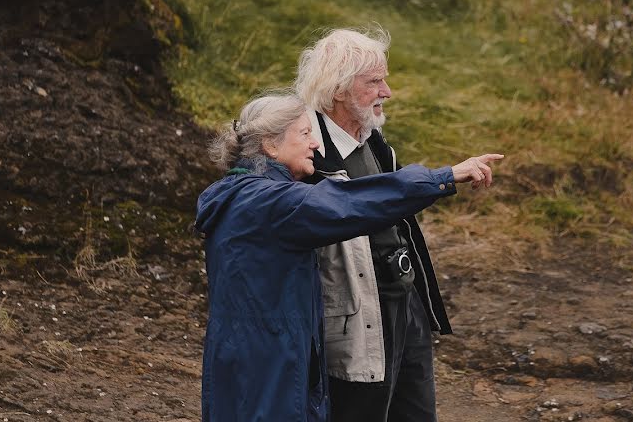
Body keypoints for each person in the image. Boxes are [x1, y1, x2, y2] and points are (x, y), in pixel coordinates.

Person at [195, 92, 502, 422]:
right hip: (272, 366)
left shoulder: (237, 194)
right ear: (270, 145)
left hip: (244, 356)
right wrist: (441, 178)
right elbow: (350, 203)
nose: (316, 144)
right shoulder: (271, 203)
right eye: (305, 133)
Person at [295, 28, 470, 422]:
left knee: (417, 413)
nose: (387, 91)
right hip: (356, 317)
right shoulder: (306, 152)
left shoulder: (374, 140)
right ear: (338, 89)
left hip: (405, 304)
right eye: (374, 81)